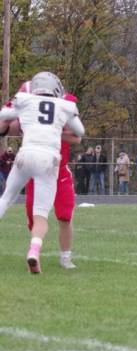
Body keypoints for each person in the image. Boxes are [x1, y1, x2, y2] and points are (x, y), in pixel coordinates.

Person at [0, 71, 85, 274]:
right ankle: (34, 251)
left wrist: (31, 125)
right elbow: (80, 131)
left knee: (7, 199)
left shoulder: (27, 99)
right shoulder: (65, 105)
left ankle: (64, 257)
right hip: (48, 161)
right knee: (38, 216)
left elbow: (76, 138)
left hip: (32, 158)